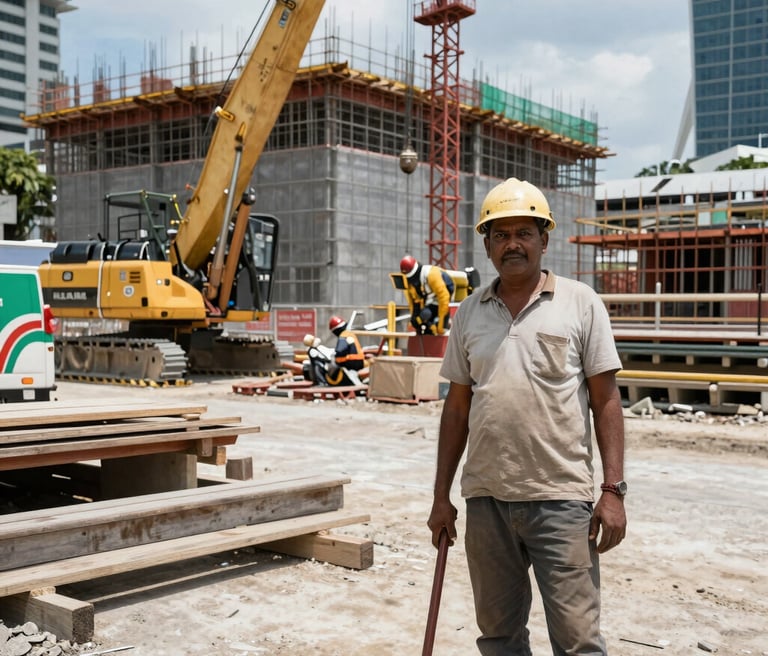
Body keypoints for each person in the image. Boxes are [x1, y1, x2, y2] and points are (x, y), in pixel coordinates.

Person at [427, 177, 627, 655]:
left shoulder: (580, 303)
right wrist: (440, 495)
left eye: (524, 232)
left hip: (561, 501)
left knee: (578, 641)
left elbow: (606, 401)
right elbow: (457, 408)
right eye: (500, 234)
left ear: (544, 238)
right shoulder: (470, 312)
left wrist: (613, 489)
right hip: (486, 501)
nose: (512, 244)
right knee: (498, 638)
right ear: (487, 244)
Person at [399, 255, 455, 335]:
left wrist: (441, 323)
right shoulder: (409, 282)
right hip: (429, 300)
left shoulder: (431, 275)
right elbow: (413, 301)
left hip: (443, 300)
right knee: (422, 320)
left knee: (439, 327)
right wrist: (415, 319)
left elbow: (444, 297)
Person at [325, 315, 365, 385]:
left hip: (349, 362)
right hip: (359, 362)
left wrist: (335, 357)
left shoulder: (343, 336)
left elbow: (340, 350)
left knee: (331, 366)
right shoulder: (350, 334)